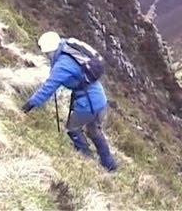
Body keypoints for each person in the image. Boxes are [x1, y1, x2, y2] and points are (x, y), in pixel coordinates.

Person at [21, 31, 118, 172]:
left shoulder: (62, 65)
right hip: (100, 99)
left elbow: (48, 88)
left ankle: (86, 157)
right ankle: (110, 165)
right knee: (94, 131)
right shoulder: (67, 46)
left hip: (88, 103)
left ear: (50, 50)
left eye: (47, 53)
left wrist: (29, 105)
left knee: (73, 128)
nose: (47, 56)